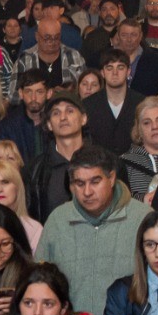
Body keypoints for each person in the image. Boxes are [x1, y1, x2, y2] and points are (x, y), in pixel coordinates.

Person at [36, 145, 151, 315]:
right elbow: (39, 282)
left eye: (95, 182)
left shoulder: (143, 219)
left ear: (111, 178)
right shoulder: (58, 221)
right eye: (79, 184)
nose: (87, 192)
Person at [25, 90, 90, 222]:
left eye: (70, 111)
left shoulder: (105, 163)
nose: (63, 117)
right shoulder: (34, 171)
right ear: (49, 124)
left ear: (83, 119)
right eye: (56, 113)